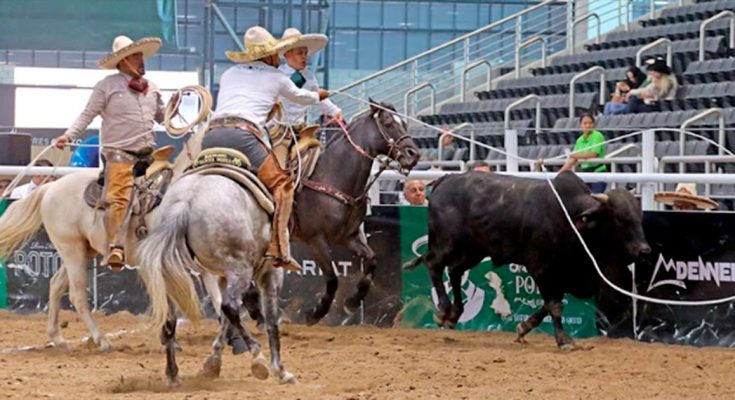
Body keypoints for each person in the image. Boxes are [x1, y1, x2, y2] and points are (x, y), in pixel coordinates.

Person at [201, 26, 329, 271]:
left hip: (211, 136)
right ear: (270, 55)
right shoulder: (277, 77)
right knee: (283, 185)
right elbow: (302, 97)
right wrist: (320, 96)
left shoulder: (229, 73)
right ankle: (278, 247)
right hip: (244, 137)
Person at [53, 35, 167, 269]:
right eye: (136, 56)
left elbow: (162, 117)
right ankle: (115, 246)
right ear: (124, 61)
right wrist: (69, 136)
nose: (141, 60)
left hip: (148, 155)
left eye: (141, 56)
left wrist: (180, 109)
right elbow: (87, 114)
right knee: (119, 197)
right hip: (119, 154)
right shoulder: (106, 86)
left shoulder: (153, 89)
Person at [278, 28, 342, 126]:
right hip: (276, 127)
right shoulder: (277, 75)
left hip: (300, 126)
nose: (304, 57)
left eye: (305, 53)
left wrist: (334, 111)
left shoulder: (308, 76)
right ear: (287, 54)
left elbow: (318, 97)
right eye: (300, 53)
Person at [560, 113, 607, 193]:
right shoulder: (579, 140)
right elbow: (573, 158)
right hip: (585, 173)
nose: (588, 126)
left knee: (595, 198)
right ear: (580, 125)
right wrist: (560, 173)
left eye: (590, 123)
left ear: (593, 124)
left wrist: (575, 156)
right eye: (585, 123)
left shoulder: (597, 135)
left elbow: (594, 154)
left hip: (598, 172)